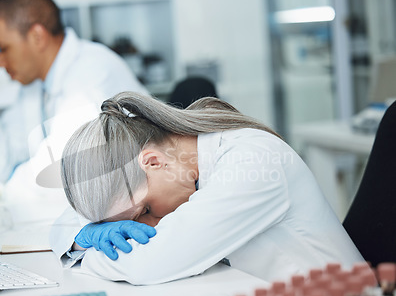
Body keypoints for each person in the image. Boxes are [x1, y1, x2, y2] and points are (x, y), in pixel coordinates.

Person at [50, 91, 364, 285]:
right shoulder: (186, 161)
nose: (147, 226)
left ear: (154, 161)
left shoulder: (253, 162)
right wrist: (81, 237)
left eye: (144, 212)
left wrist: (88, 257)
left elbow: (151, 262)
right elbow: (65, 219)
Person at [0, 0, 147, 183]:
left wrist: (6, 194)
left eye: (2, 49)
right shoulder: (35, 88)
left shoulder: (89, 74)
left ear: (37, 36)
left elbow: (63, 177)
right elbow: (0, 167)